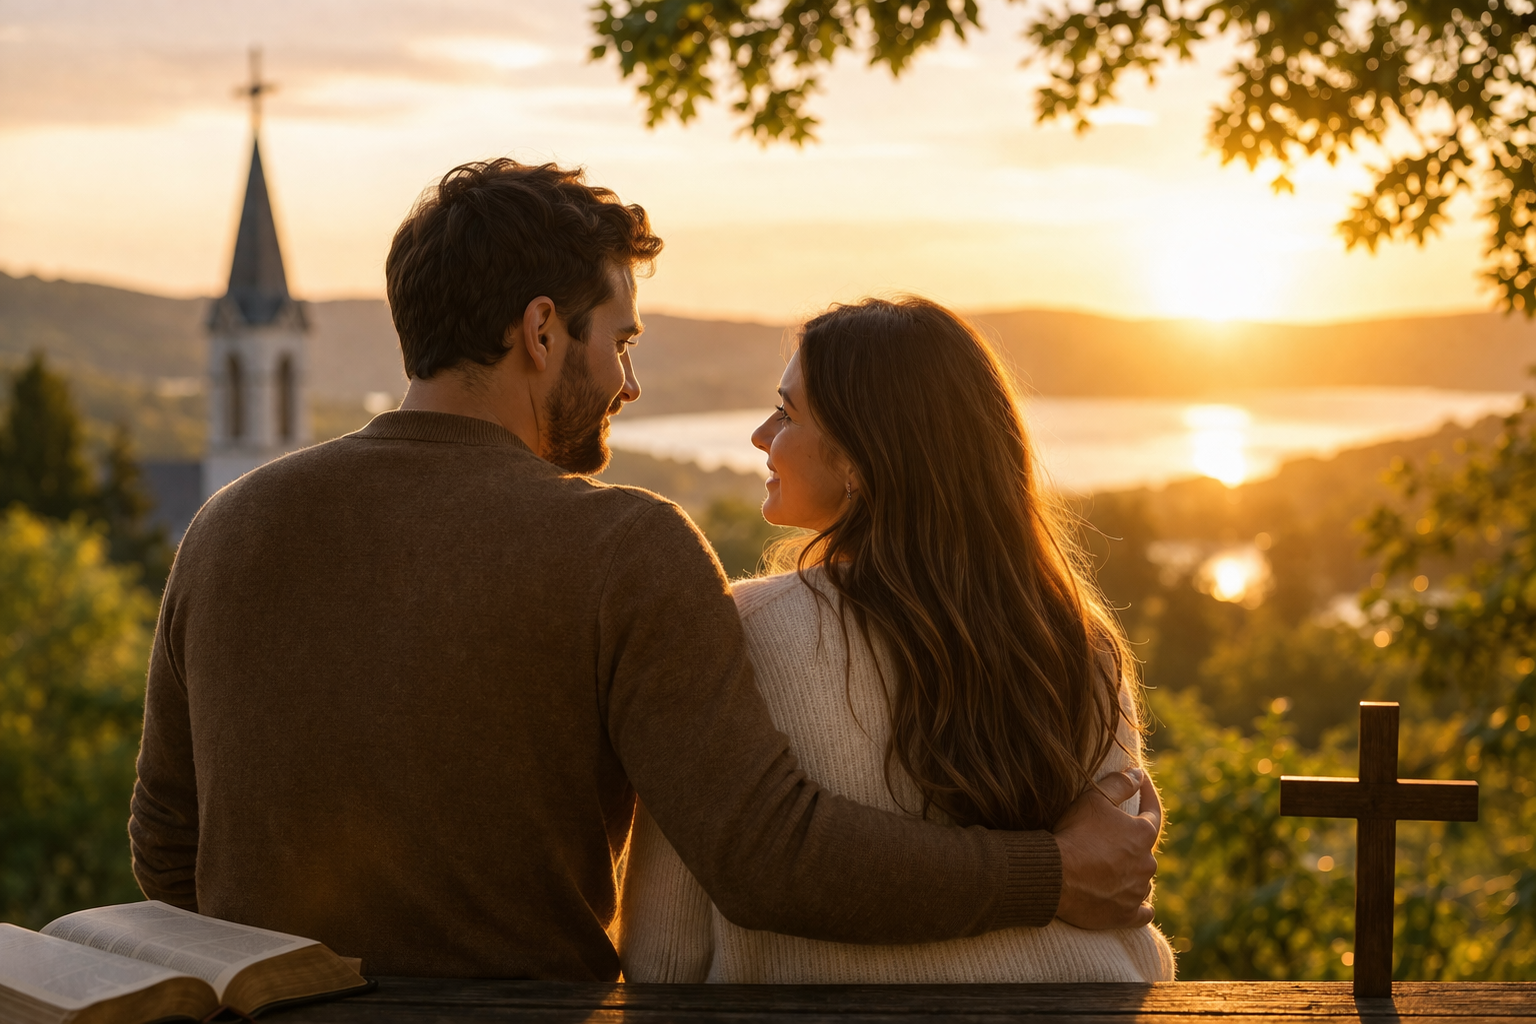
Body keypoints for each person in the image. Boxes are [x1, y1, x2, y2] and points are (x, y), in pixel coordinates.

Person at [129, 160, 1161, 981]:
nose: (627, 381)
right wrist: (1054, 869)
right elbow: (766, 857)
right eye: (619, 339)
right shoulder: (624, 546)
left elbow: (168, 849)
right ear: (541, 332)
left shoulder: (228, 526)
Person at [619, 297, 1175, 983]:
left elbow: (664, 955)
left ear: (860, 458)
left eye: (787, 413)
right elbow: (1120, 891)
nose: (763, 435)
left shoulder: (742, 634)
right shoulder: (1071, 634)